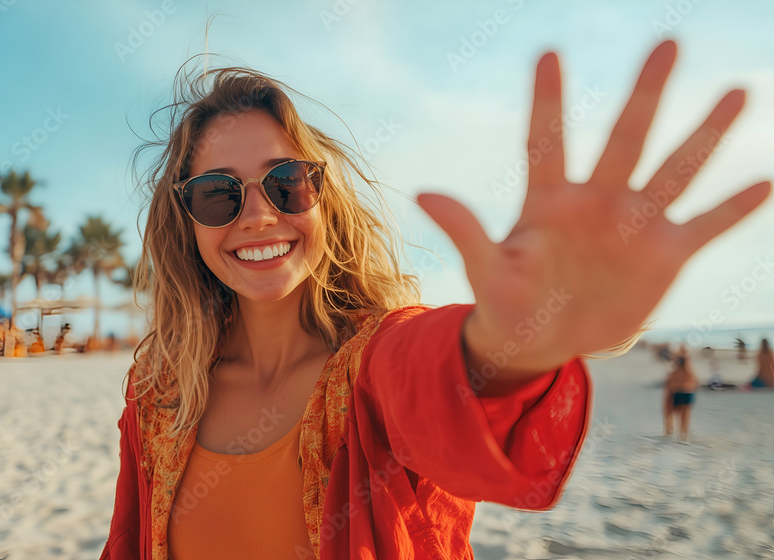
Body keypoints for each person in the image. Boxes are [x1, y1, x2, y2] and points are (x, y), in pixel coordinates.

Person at [100, 41, 770, 559]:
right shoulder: (161, 390)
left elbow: (443, 378)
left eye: (286, 183)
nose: (257, 217)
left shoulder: (376, 363)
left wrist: (521, 342)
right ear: (186, 219)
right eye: (220, 194)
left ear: (323, 199)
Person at [663, 344, 698, 442]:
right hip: (687, 391)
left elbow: (669, 383)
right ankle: (683, 437)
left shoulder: (676, 371)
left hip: (678, 391)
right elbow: (696, 382)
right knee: (684, 417)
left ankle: (670, 433)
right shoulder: (688, 369)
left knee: (672, 414)